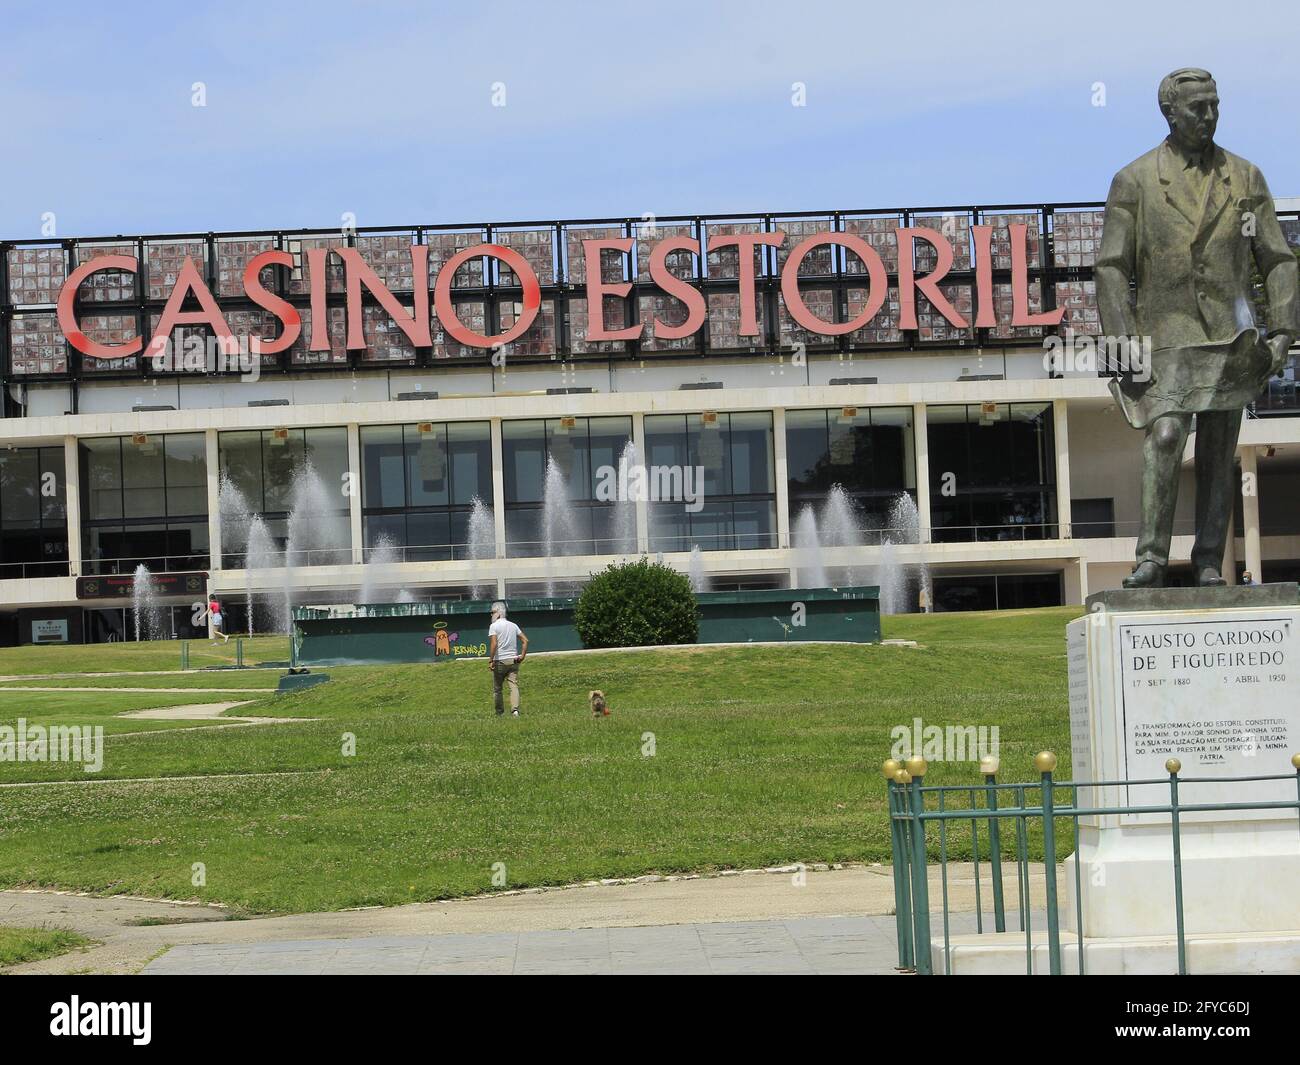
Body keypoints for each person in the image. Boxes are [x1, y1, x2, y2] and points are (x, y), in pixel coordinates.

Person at [1096, 68, 1297, 589]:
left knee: (1217, 447)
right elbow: (1112, 266)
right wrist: (1120, 341)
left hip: (1231, 337)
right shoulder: (1134, 180)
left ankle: (1209, 560)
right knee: (1164, 434)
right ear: (1170, 112)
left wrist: (1282, 328)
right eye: (1196, 108)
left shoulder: (1246, 177)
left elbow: (1277, 257)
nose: (1208, 116)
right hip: (1163, 339)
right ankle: (1152, 558)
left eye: (1214, 105)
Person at [487, 601, 527, 717]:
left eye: (492, 612)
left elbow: (494, 644)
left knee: (498, 689)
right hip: (513, 660)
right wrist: (522, 655)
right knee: (513, 686)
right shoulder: (513, 625)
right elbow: (525, 640)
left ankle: (499, 713)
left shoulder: (494, 626)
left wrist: (491, 660)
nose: (491, 615)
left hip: (500, 661)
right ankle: (515, 710)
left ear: (499, 613)